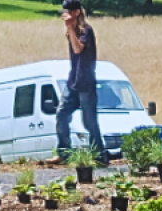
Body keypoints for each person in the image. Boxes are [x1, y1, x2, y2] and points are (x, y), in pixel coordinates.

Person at [49, 0, 107, 164]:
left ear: (76, 12)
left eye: (68, 12)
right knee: (62, 114)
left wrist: (69, 28)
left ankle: (99, 156)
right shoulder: (73, 31)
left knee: (89, 122)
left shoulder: (86, 31)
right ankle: (64, 153)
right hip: (73, 82)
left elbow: (78, 49)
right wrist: (70, 29)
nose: (65, 14)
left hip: (86, 83)